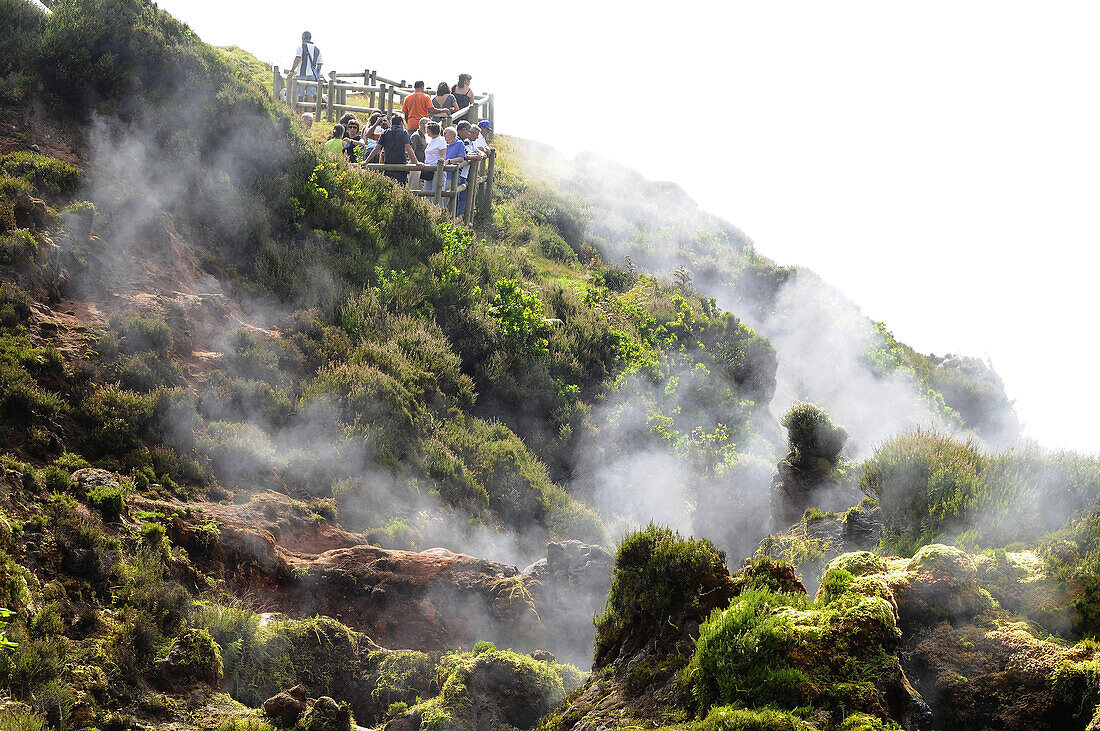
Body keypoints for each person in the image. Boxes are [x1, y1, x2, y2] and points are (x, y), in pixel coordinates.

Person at [364, 114, 422, 185]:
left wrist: (366, 161)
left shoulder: (385, 133)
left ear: (391, 122)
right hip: (400, 165)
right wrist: (416, 162)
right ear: (401, 123)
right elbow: (408, 147)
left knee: (389, 187)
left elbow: (376, 148)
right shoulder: (404, 132)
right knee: (400, 187)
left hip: (388, 165)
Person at [290, 32, 323, 101]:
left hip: (302, 74)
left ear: (303, 38)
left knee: (300, 95)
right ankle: (309, 112)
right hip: (312, 75)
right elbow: (319, 64)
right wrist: (317, 73)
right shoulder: (317, 49)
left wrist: (292, 71)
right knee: (310, 95)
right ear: (310, 38)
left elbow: (297, 59)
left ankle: (301, 112)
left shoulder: (301, 47)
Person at [442, 126, 467, 214]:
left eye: (445, 133)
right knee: (442, 196)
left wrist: (450, 161)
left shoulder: (459, 143)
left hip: (451, 176)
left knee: (447, 198)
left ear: (452, 134)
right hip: (443, 174)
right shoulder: (444, 144)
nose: (443, 135)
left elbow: (461, 158)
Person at [421, 121, 447, 194]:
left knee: (436, 192)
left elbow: (443, 153)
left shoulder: (441, 140)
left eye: (427, 130)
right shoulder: (431, 141)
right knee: (427, 192)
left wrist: (441, 161)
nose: (426, 131)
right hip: (429, 169)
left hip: (436, 169)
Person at [408, 117, 430, 189]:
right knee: (414, 187)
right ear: (424, 125)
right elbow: (411, 150)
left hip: (421, 165)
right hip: (416, 166)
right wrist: (415, 162)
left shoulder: (424, 137)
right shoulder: (416, 136)